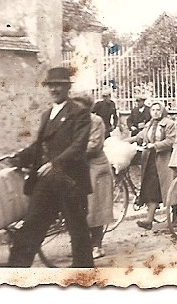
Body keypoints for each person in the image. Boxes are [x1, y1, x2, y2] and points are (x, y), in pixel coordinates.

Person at [8, 67, 93, 268]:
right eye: (51, 85)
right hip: (47, 182)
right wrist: (19, 157)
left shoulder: (79, 113)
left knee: (78, 231)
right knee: (31, 226)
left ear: (67, 87)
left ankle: (84, 274)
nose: (54, 89)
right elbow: (40, 145)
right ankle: (14, 274)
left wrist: (55, 163)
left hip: (71, 182)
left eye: (59, 85)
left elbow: (78, 146)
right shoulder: (47, 114)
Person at [75, 94, 114, 260]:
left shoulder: (96, 121)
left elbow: (94, 145)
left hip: (96, 168)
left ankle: (97, 245)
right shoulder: (72, 121)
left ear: (87, 107)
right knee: (79, 208)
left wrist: (71, 153)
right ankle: (83, 244)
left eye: (79, 106)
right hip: (78, 166)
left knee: (95, 207)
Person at [131, 102, 177, 230]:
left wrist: (155, 145)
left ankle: (175, 217)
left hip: (165, 160)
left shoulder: (169, 124)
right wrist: (122, 141)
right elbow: (139, 137)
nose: (156, 112)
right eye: (153, 110)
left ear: (163, 111)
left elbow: (170, 141)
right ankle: (149, 220)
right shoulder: (149, 124)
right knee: (152, 188)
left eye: (158, 109)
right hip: (150, 160)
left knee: (169, 187)